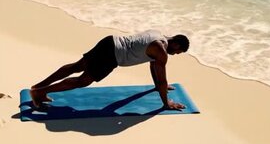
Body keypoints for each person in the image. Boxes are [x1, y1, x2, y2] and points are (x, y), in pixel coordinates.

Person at [29, 29, 190, 110]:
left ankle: (37, 87)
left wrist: (157, 87)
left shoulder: (158, 34)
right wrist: (166, 103)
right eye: (178, 51)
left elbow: (154, 66)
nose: (175, 54)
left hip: (109, 42)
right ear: (176, 44)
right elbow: (162, 77)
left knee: (77, 67)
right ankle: (39, 93)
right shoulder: (161, 51)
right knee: (83, 81)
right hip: (113, 55)